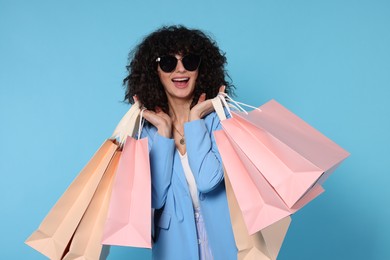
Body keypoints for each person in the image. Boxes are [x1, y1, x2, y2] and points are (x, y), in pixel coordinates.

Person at [123, 25, 237, 260]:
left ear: (200, 69)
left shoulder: (222, 121)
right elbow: (153, 198)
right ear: (155, 71)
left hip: (225, 241)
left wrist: (195, 120)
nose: (180, 69)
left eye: (190, 61)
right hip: (174, 247)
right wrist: (164, 135)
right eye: (167, 63)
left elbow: (207, 181)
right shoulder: (147, 132)